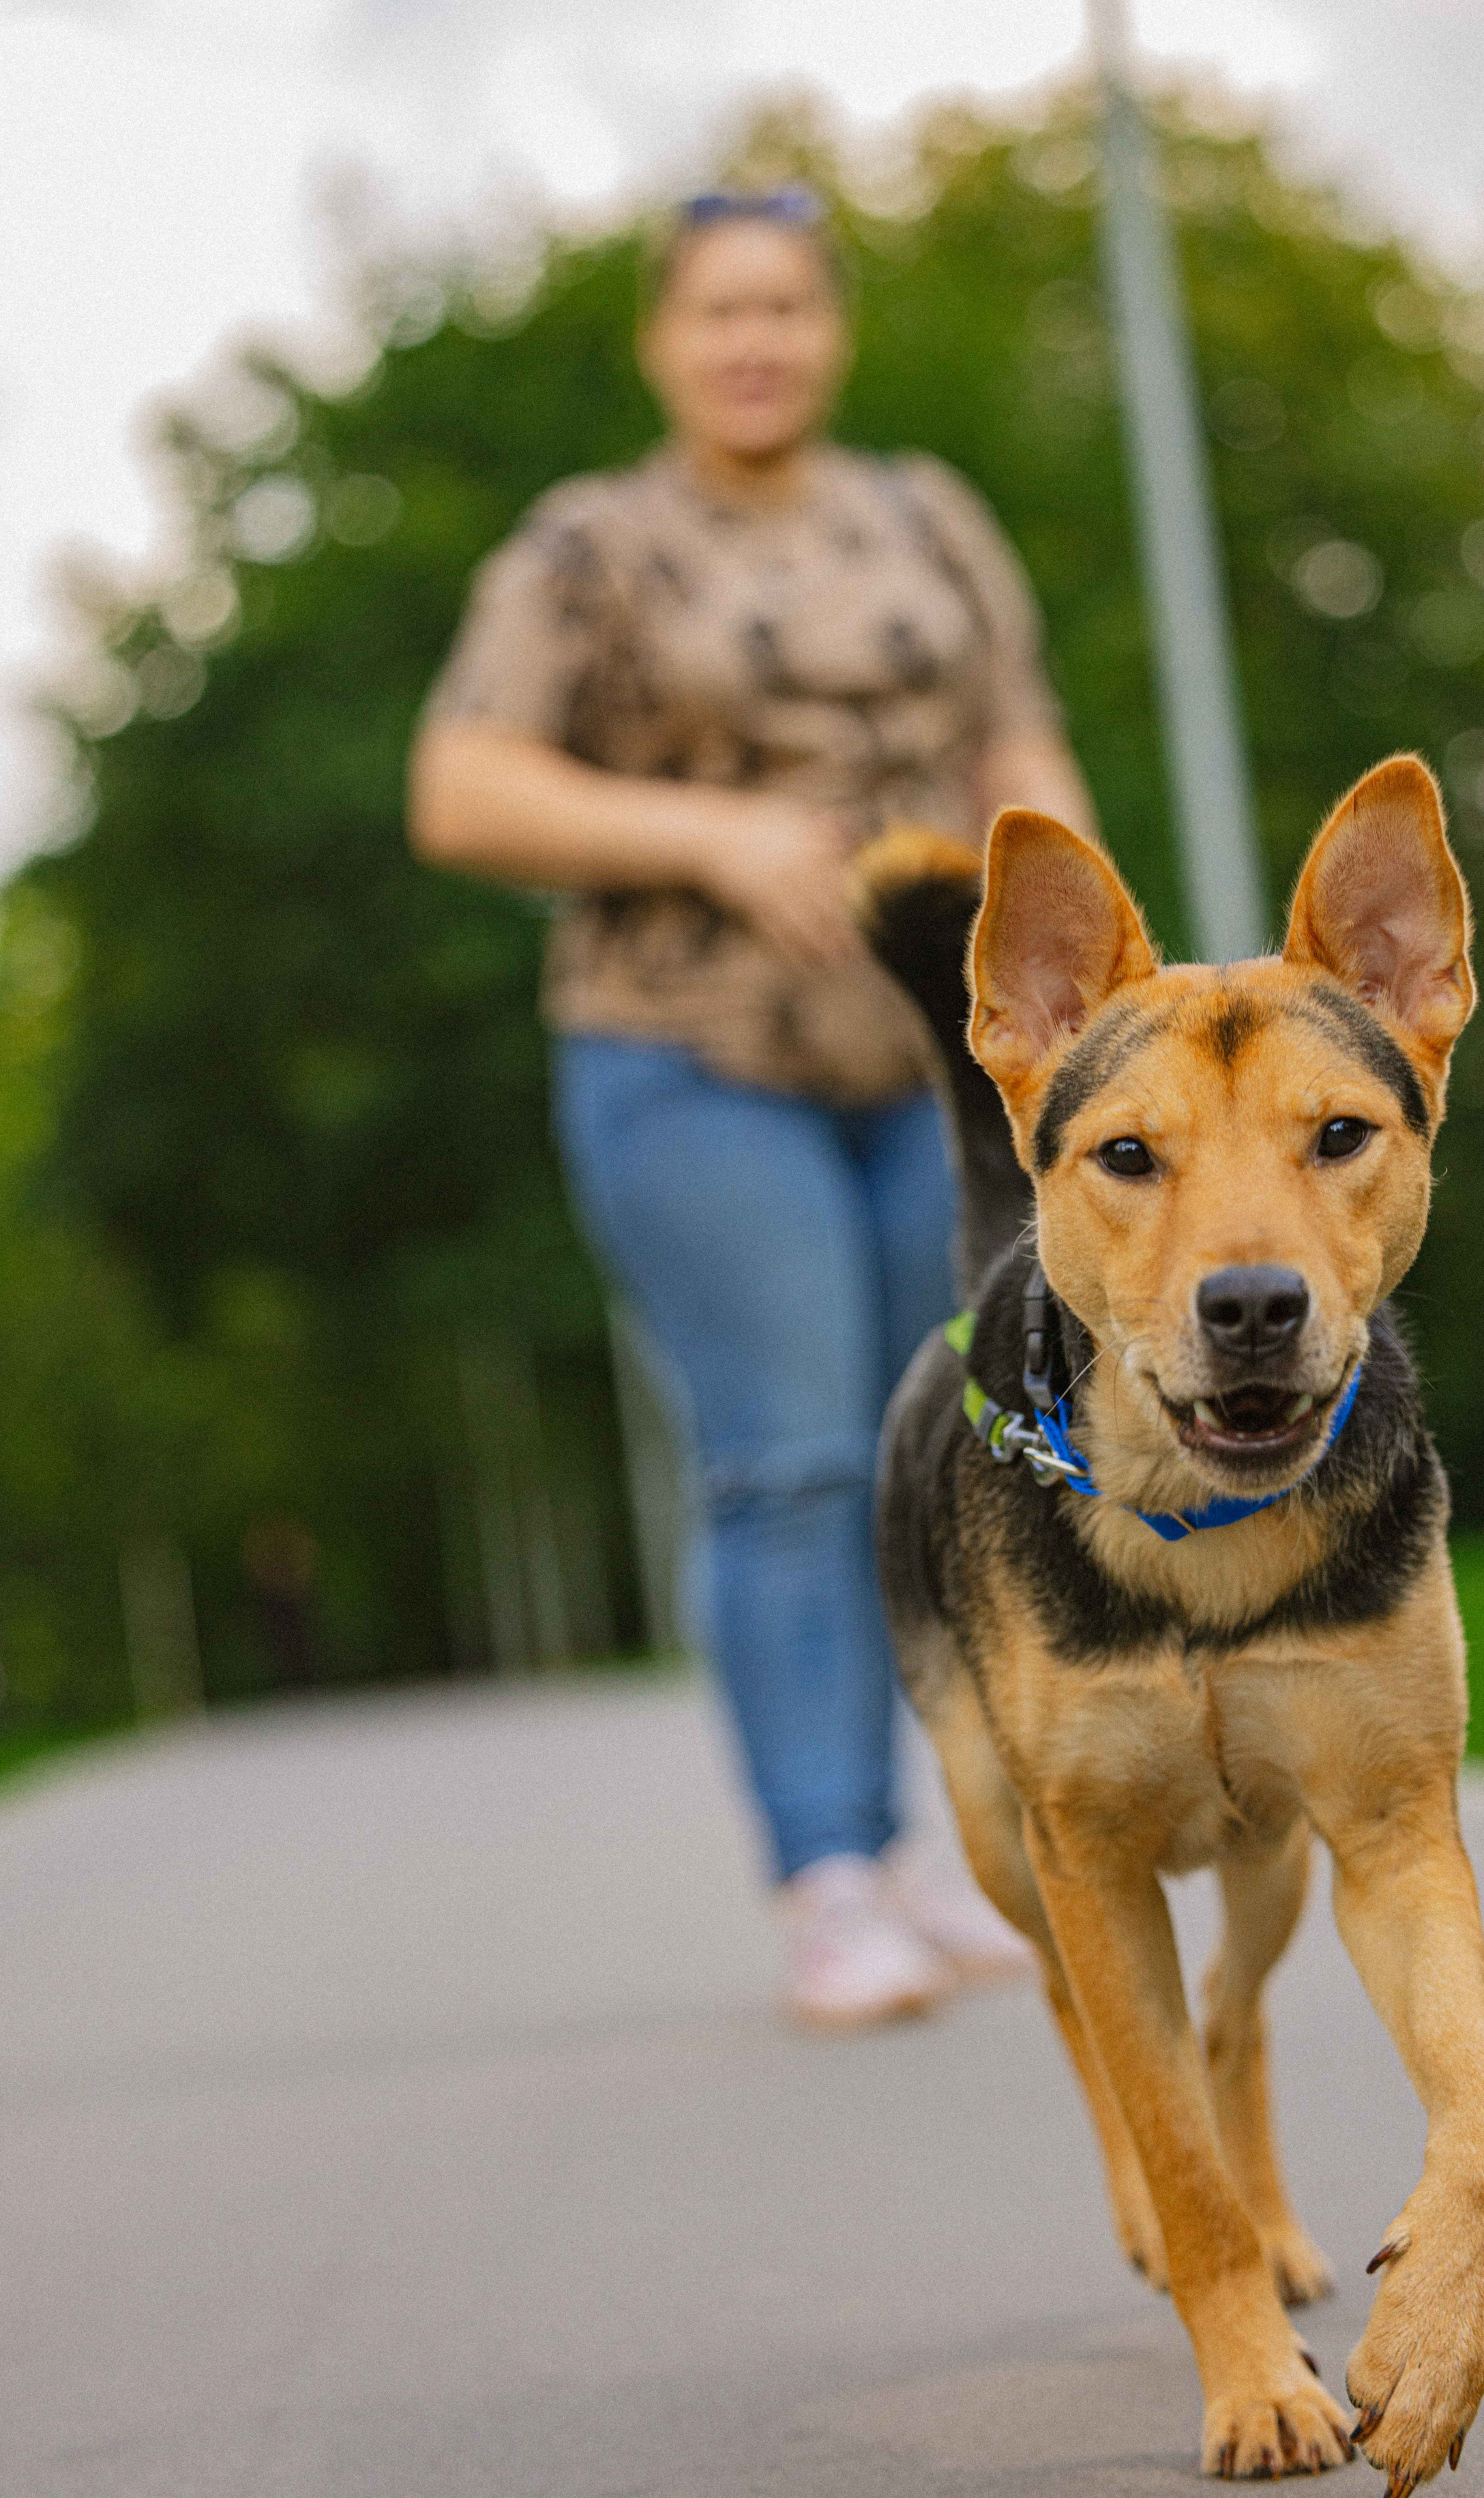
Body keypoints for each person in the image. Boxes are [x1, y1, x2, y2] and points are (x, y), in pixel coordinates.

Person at [409, 186, 1097, 2029]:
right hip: (687, 1054)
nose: (755, 341)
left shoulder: (924, 517)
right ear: (663, 340)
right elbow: (462, 785)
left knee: (947, 1451)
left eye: (786, 306)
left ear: (834, 329)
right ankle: (826, 1875)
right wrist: (705, 833)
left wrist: (1088, 935)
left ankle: (944, 1846)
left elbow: (1014, 730)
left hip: (930, 1065)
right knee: (792, 1453)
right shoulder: (590, 546)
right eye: (719, 311)